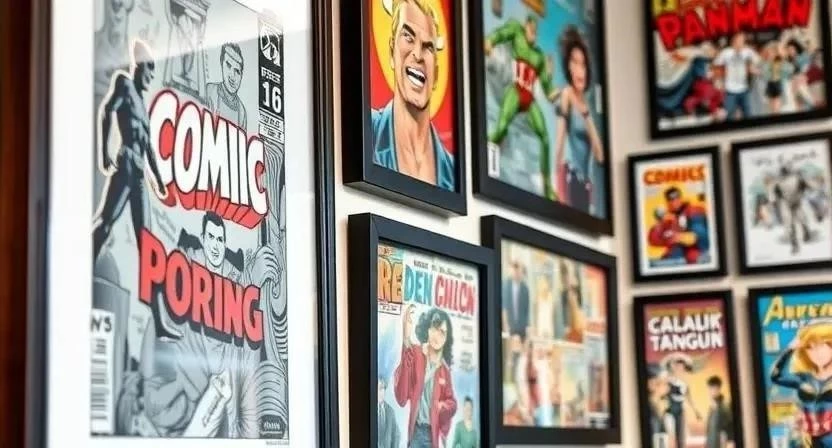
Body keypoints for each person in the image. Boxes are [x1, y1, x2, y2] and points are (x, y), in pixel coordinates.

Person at [93, 40, 167, 262]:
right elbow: (107, 111)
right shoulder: (124, 84)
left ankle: (152, 283)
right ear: (139, 65)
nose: (151, 75)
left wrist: (159, 180)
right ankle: (84, 260)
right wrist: (104, 153)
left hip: (140, 173)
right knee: (106, 221)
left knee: (146, 238)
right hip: (126, 163)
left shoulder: (143, 105)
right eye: (149, 68)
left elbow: (148, 146)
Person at [372, 0, 455, 190]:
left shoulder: (452, 171)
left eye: (428, 47)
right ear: (392, 52)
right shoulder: (368, 131)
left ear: (436, 74)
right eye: (408, 37)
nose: (417, 54)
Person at [485, 14, 561, 200]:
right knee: (501, 127)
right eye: (531, 29)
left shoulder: (539, 55)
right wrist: (491, 41)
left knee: (544, 137)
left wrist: (552, 93)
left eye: (536, 31)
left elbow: (546, 84)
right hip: (516, 90)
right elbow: (501, 33)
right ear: (526, 25)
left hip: (529, 98)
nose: (533, 34)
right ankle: (484, 154)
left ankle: (547, 187)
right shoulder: (516, 31)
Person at [555, 25, 604, 213]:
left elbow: (599, 155)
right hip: (571, 179)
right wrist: (556, 180)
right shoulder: (567, 94)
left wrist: (586, 116)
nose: (579, 70)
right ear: (568, 66)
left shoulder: (588, 106)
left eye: (582, 64)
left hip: (586, 185)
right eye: (574, 63)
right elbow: (560, 141)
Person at [394, 306, 458, 447]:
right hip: (416, 432)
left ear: (446, 339)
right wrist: (406, 339)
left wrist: (441, 406)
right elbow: (402, 396)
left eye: (442, 332)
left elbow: (452, 403)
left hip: (432, 435)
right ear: (427, 329)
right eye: (434, 328)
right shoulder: (416, 354)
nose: (437, 335)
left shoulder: (444, 371)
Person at [770, 320, 832, 447]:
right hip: (808, 439)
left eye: (822, 345)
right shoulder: (804, 378)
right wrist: (790, 350)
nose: (816, 352)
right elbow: (776, 376)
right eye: (809, 347)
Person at [648, 187, 710, 265]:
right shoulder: (668, 220)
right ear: (667, 202)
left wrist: (684, 237)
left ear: (681, 198)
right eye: (670, 199)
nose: (674, 202)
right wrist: (659, 223)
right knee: (652, 264)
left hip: (695, 255)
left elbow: (700, 234)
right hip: (675, 255)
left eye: (676, 198)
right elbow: (654, 240)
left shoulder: (693, 210)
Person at [714, 32, 760, 120]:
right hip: (730, 89)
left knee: (748, 113)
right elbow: (716, 66)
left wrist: (752, 68)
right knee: (728, 114)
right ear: (734, 40)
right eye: (739, 40)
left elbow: (758, 61)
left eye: (742, 40)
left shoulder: (748, 52)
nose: (741, 42)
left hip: (744, 89)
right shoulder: (726, 52)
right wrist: (719, 81)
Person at [663, 353, 703, 448]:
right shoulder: (668, 380)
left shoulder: (684, 384)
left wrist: (696, 412)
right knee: (670, 436)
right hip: (670, 412)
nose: (680, 370)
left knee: (681, 436)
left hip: (680, 413)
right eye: (677, 367)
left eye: (682, 367)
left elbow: (689, 399)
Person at [206, 42, 247, 129]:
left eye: (237, 71)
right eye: (228, 65)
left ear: (241, 75)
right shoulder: (210, 91)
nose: (232, 76)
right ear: (222, 65)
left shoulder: (241, 111)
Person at [705, 376, 735, 448]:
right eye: (709, 388)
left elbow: (729, 430)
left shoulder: (724, 407)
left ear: (717, 388)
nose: (709, 391)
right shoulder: (713, 407)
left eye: (711, 388)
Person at [503, 261, 530, 339]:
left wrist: (527, 326)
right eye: (515, 271)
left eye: (519, 271)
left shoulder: (525, 288)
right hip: (509, 326)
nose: (517, 273)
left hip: (522, 327)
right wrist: (505, 324)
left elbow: (526, 309)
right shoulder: (506, 285)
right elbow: (504, 307)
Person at [378, 378, 401, 448]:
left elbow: (396, 435)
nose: (379, 392)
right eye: (377, 389)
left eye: (381, 388)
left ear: (385, 390)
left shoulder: (390, 411)